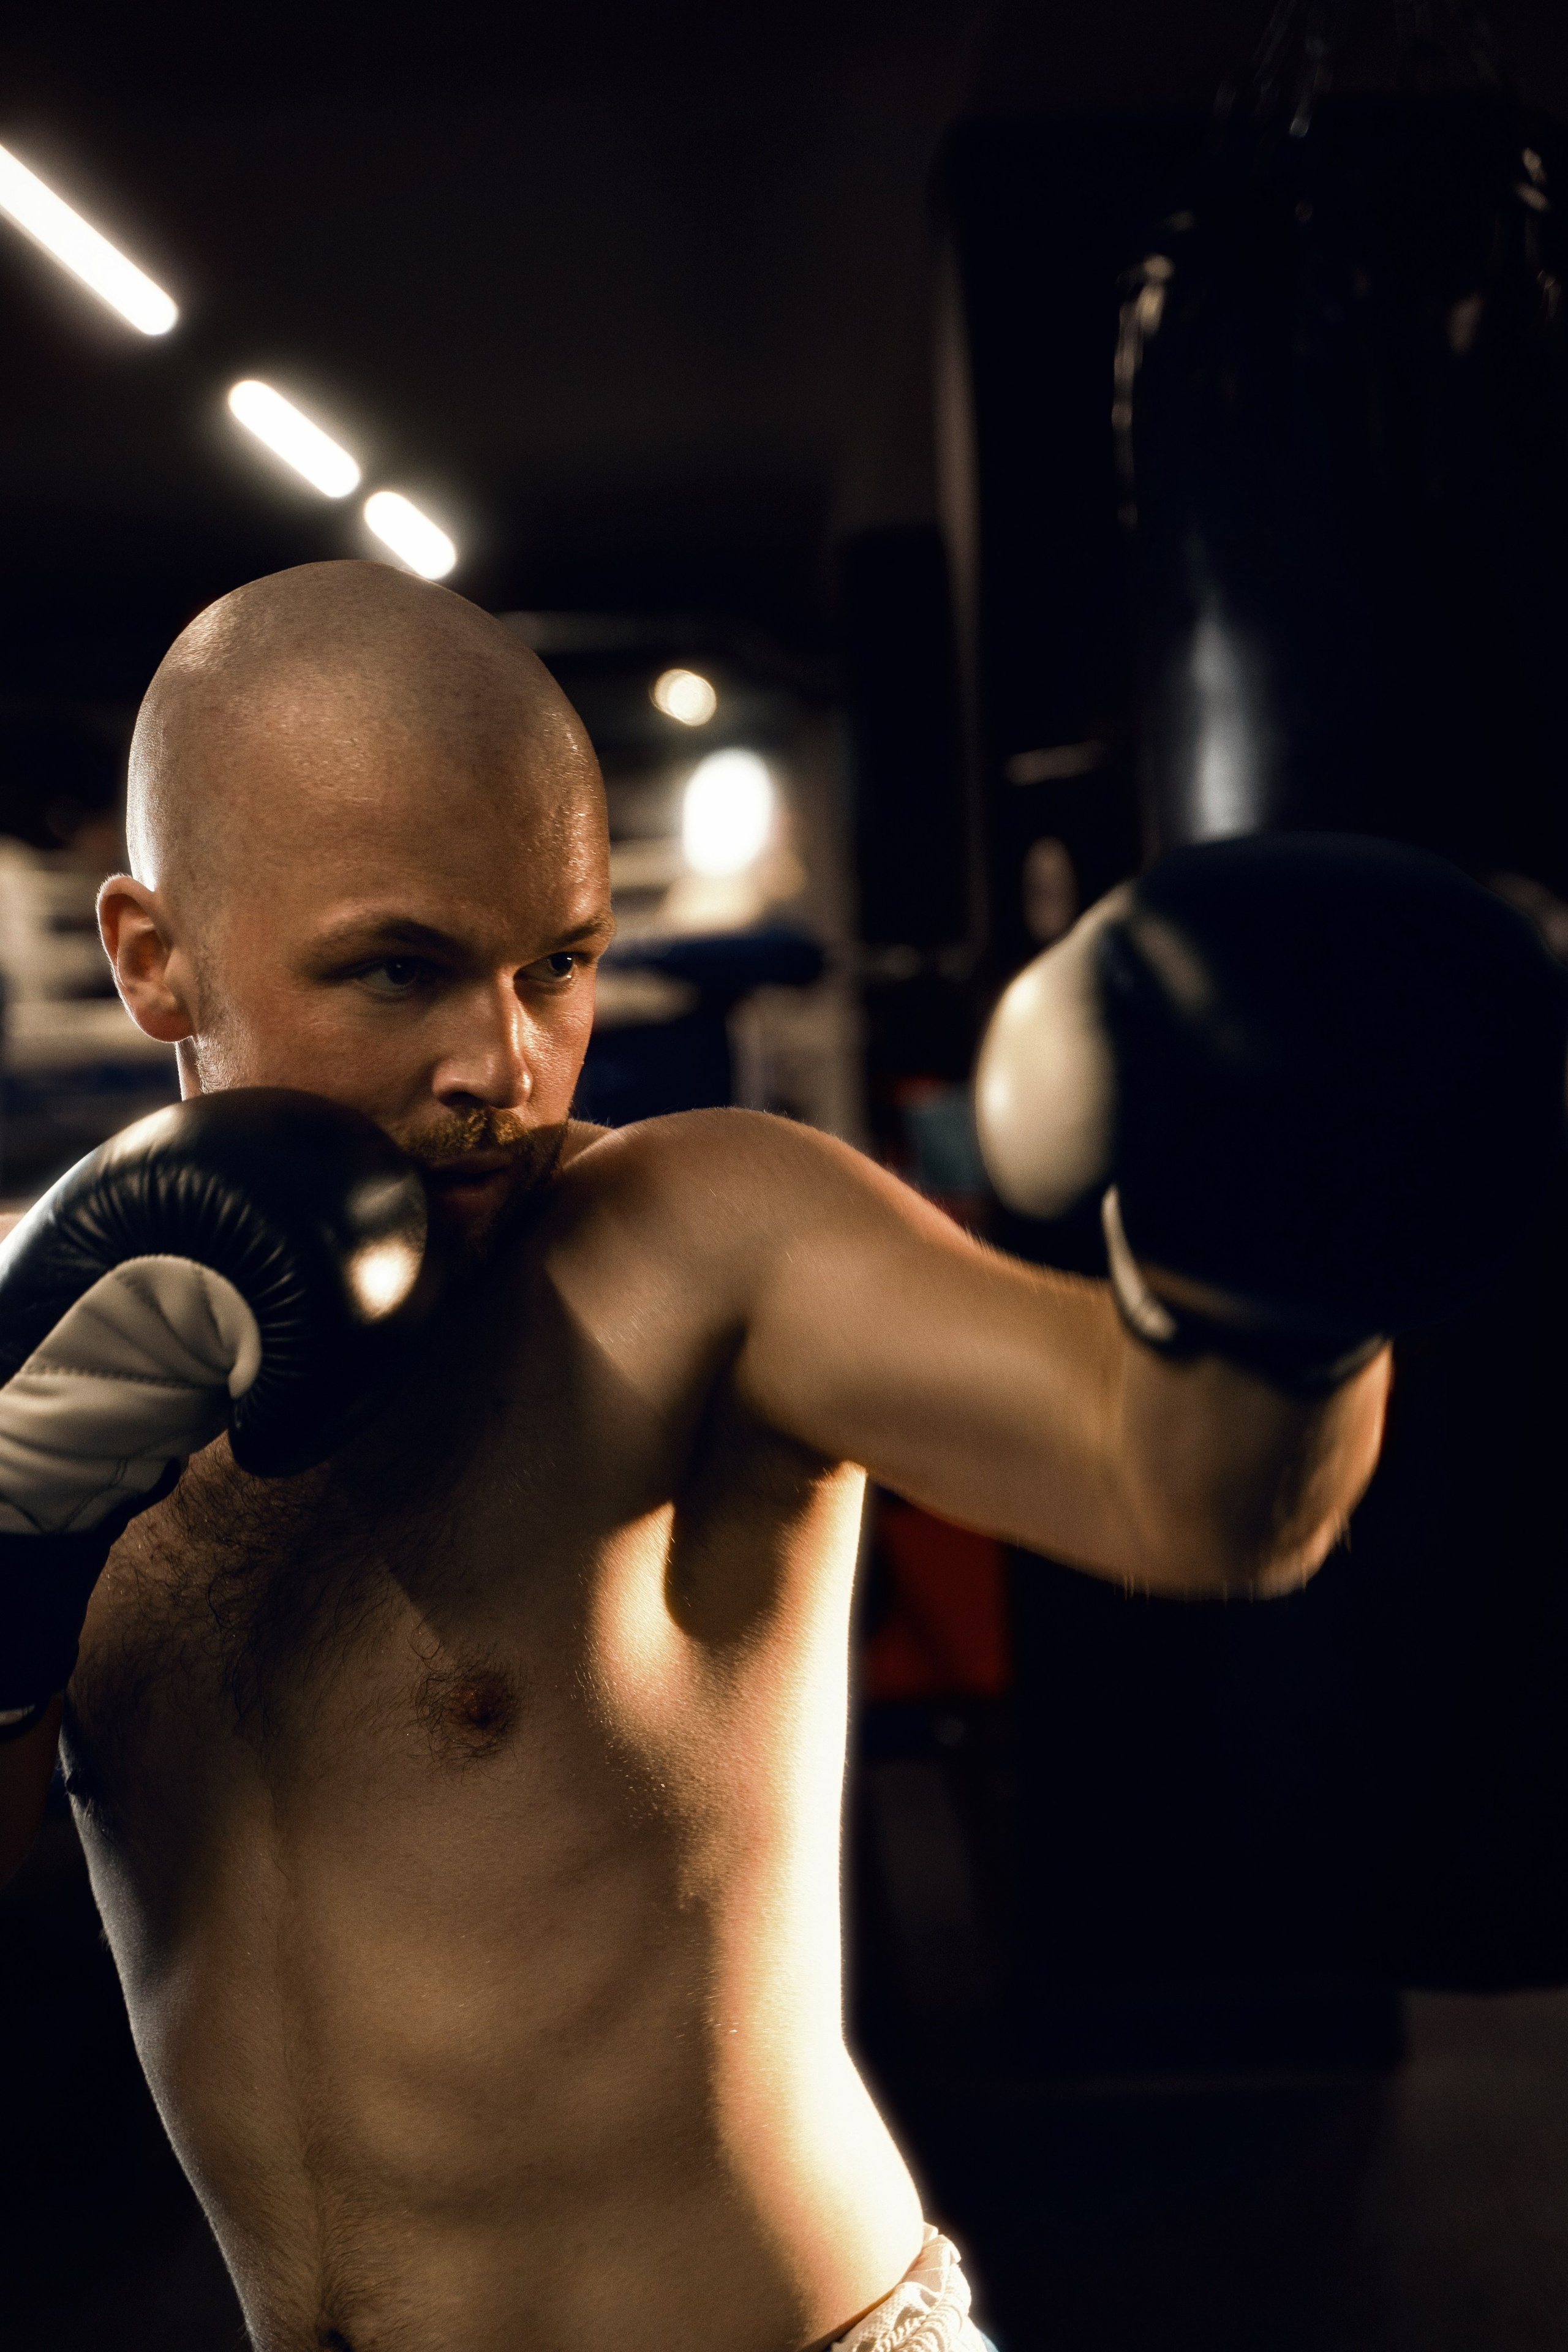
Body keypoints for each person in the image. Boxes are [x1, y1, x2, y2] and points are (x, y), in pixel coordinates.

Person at [0, 561, 1556, 2352]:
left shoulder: (689, 1239)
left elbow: (1187, 1490)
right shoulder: (59, 1342)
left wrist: (1286, 1254)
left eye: (560, 965)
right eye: (402, 969)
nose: (504, 1063)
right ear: (150, 956)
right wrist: (15, 1549)